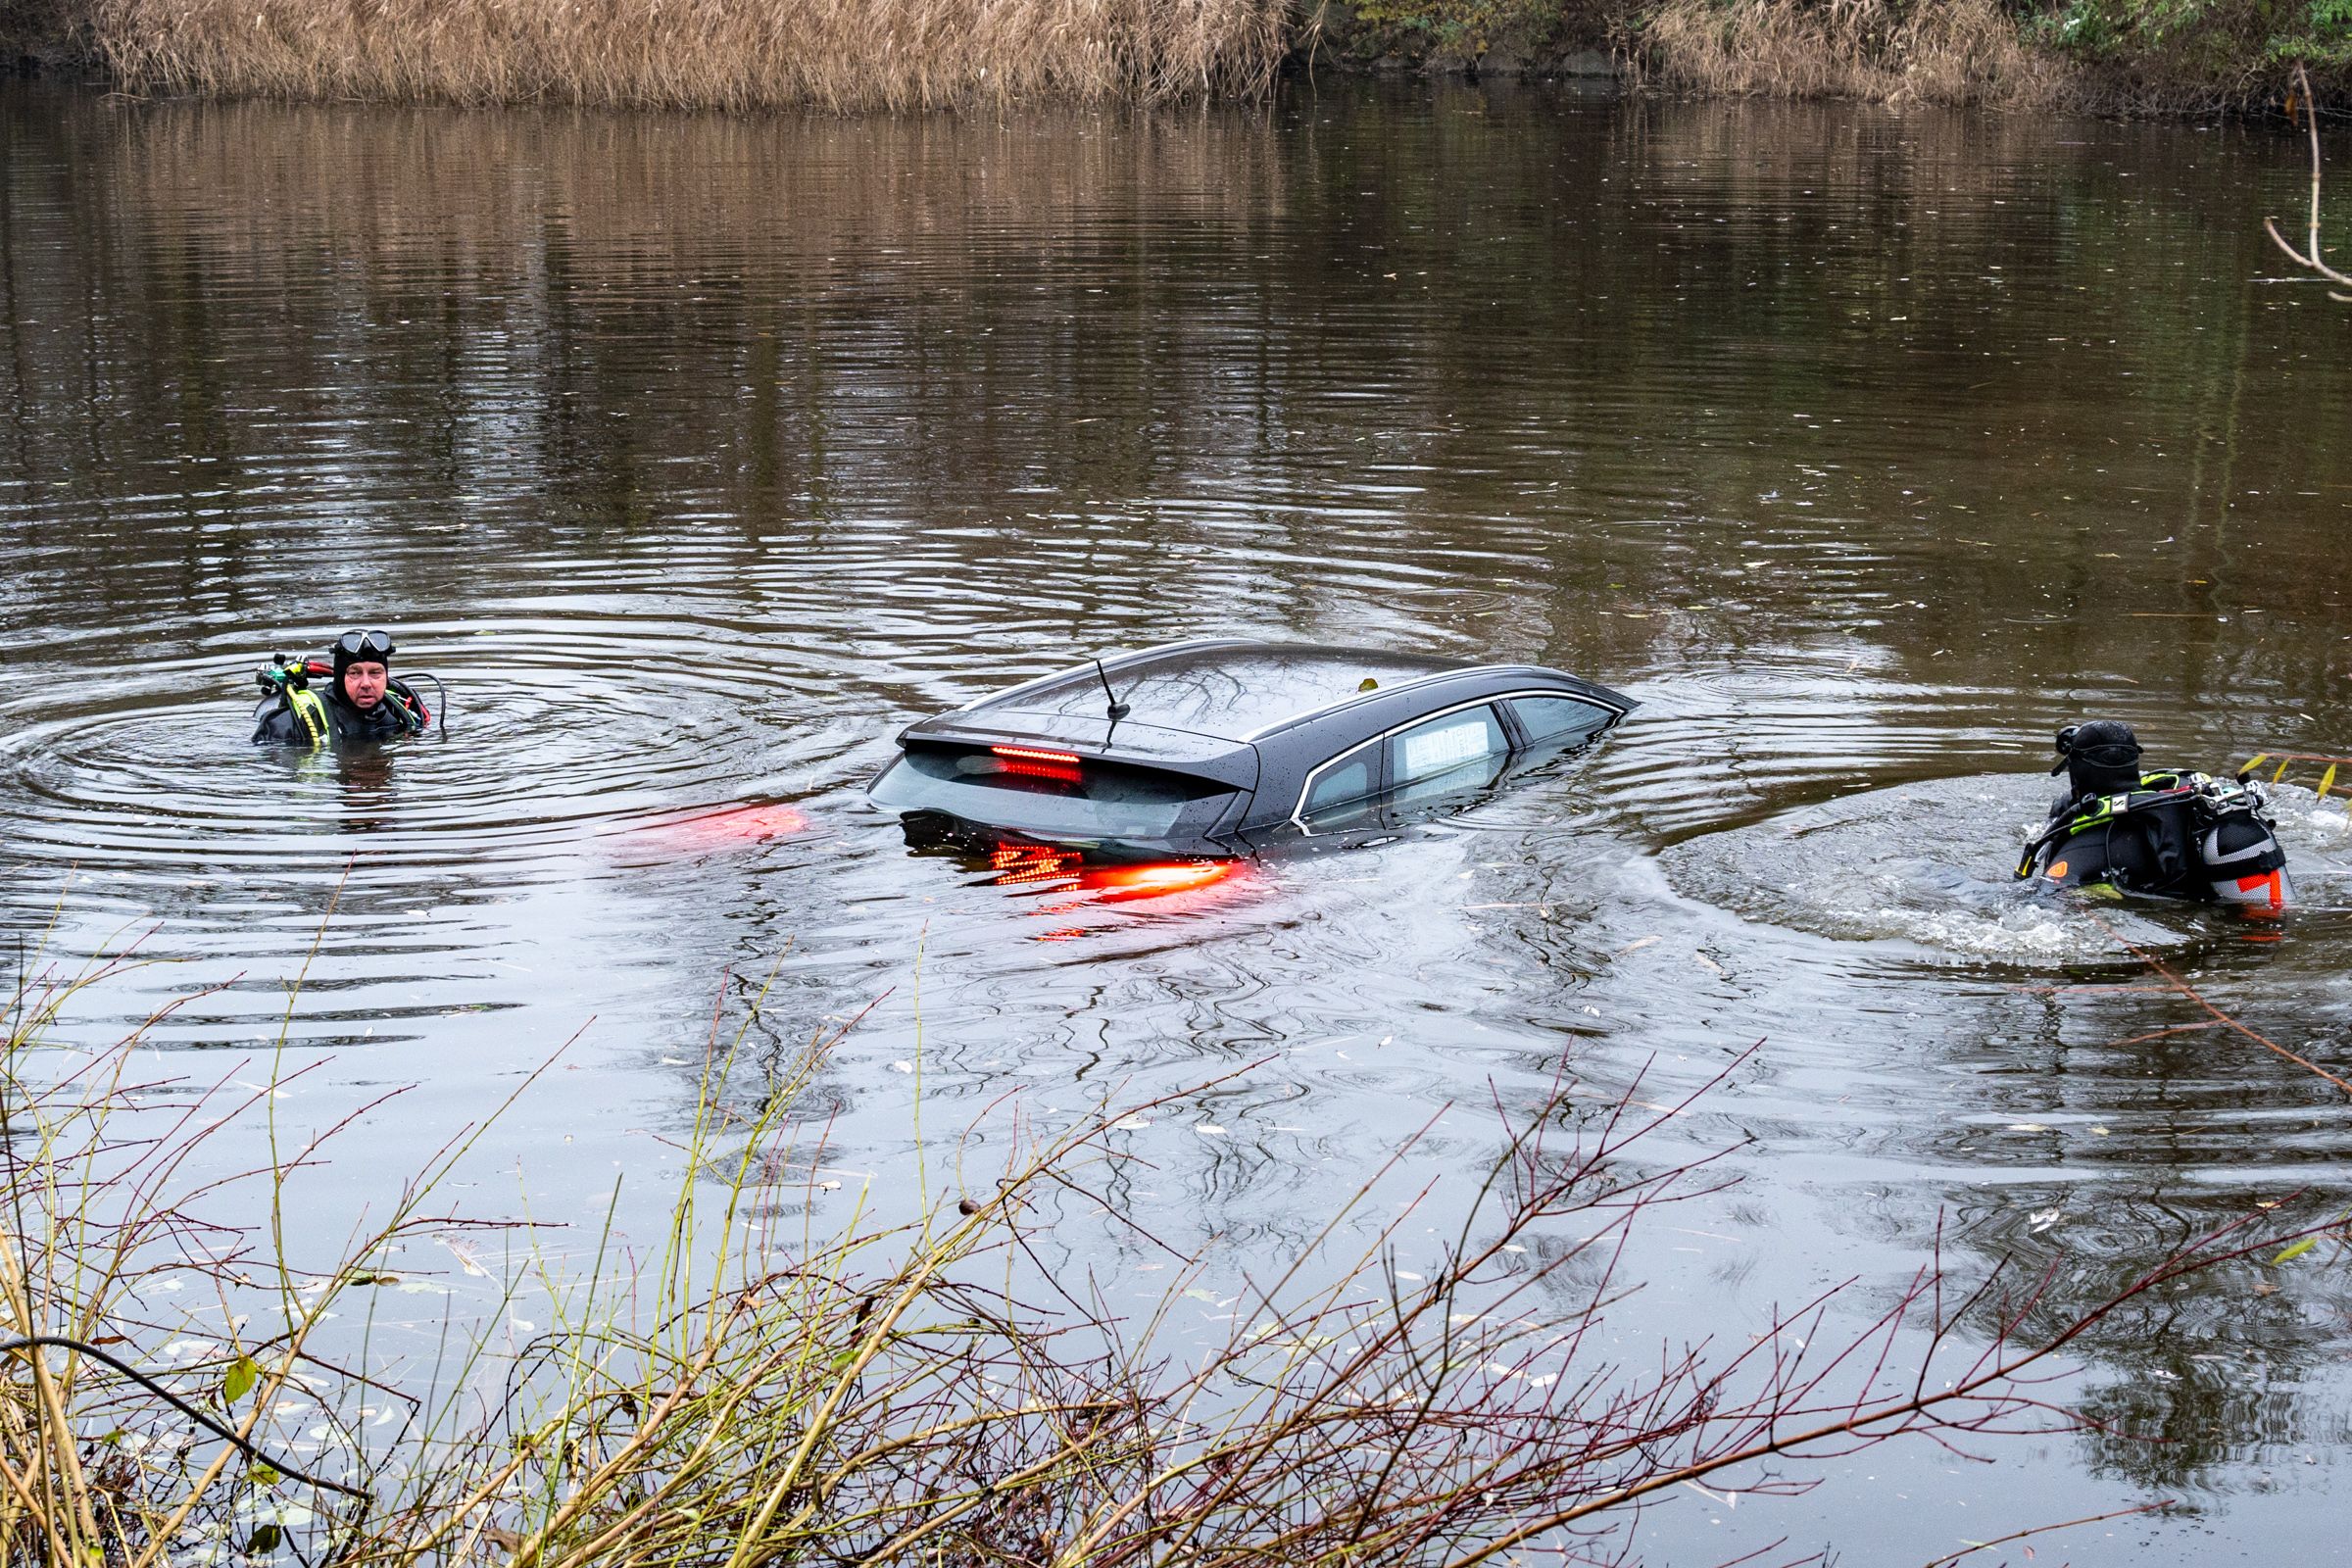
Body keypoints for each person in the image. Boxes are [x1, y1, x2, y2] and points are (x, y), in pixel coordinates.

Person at [2015, 719, 2289, 910]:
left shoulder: (2087, 845)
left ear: (2076, 768)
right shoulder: (2181, 804)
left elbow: (2043, 900)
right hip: (2223, 909)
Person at [251, 629, 430, 746]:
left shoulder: (401, 712)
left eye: (375, 673)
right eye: (355, 673)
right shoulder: (291, 725)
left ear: (386, 676)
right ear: (339, 677)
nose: (366, 683)